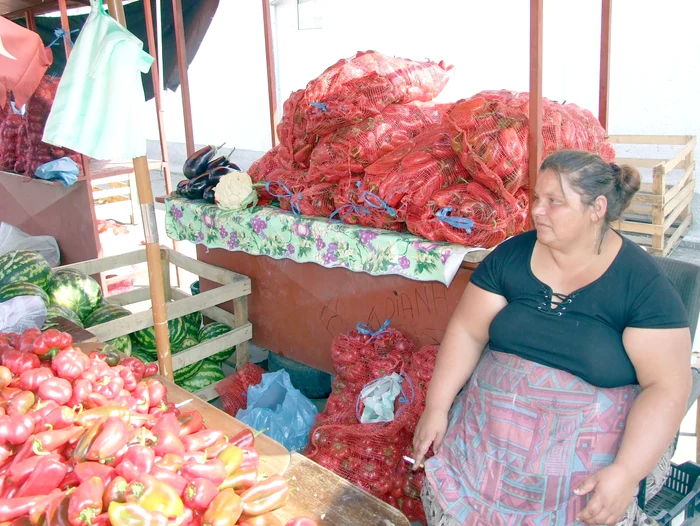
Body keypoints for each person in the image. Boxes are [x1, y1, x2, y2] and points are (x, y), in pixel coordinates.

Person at [412, 150, 692, 526]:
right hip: (487, 446)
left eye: (554, 202)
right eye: (536, 199)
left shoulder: (641, 285)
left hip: (582, 460)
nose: (537, 212)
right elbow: (468, 330)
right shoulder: (512, 255)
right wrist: (437, 407)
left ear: (597, 208)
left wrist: (626, 471)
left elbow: (667, 387)